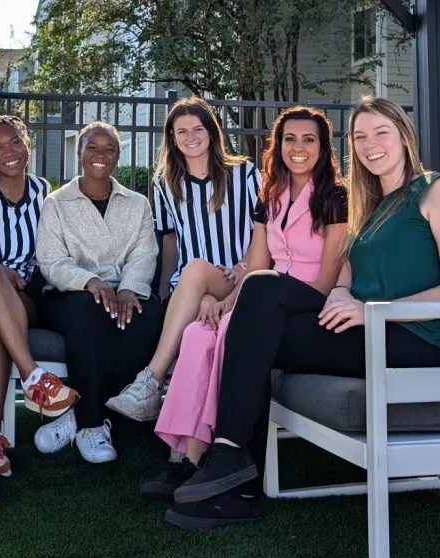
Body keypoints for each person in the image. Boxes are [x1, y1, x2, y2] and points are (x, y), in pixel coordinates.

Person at [168, 95, 440, 528]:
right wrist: (341, 292)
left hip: (417, 338)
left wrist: (372, 311)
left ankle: (232, 467)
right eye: (361, 136)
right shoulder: (367, 203)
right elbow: (348, 266)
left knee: (261, 315)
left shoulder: (437, 191)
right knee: (258, 303)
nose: (371, 145)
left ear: (404, 137)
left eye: (381, 133)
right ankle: (234, 475)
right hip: (361, 327)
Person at [142, 106, 349, 502]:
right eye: (290, 139)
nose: (299, 147)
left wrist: (253, 299)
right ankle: (187, 460)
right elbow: (256, 267)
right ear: (279, 145)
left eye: (309, 139)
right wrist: (227, 304)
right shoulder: (269, 196)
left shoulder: (335, 196)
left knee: (230, 334)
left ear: (323, 148)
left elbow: (325, 280)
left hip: (304, 302)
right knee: (200, 334)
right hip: (261, 295)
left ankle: (219, 454)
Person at [105, 96, 261, 422]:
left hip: (237, 278)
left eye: (198, 129)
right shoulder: (165, 182)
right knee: (196, 303)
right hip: (189, 285)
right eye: (181, 131)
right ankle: (187, 434)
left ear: (212, 132)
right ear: (172, 138)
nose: (191, 137)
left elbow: (267, 229)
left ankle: (151, 381)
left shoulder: (244, 173)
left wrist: (244, 264)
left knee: (196, 271)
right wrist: (165, 290)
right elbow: (170, 239)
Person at [0, 115, 78, 478]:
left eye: (16, 142)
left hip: (18, 298)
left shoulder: (43, 192)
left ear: (28, 145)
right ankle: (34, 377)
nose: (9, 152)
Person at [31, 121, 164, 464]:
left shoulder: (137, 204)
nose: (100, 155)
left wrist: (132, 289)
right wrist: (91, 282)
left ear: (118, 156)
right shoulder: (57, 203)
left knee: (148, 318)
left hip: (123, 291)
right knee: (90, 312)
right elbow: (52, 261)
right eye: (92, 147)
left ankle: (80, 413)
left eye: (109, 149)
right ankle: (92, 425)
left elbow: (144, 253)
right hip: (71, 293)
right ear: (80, 153)